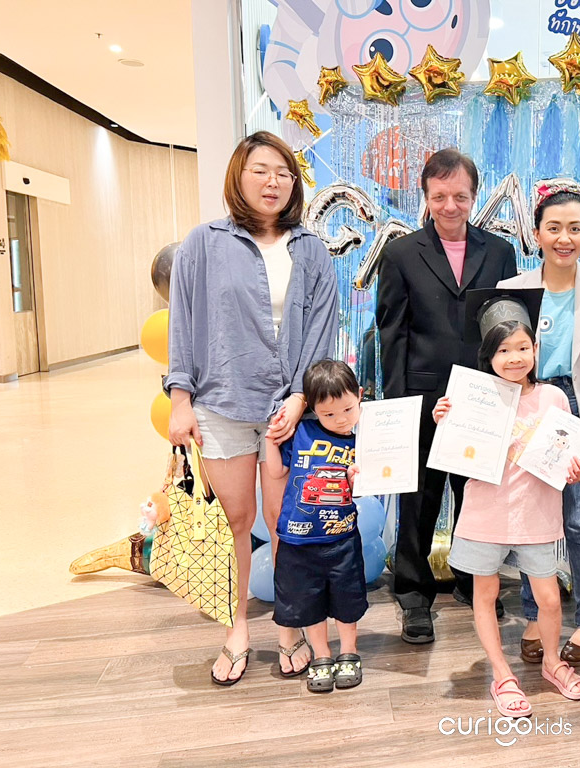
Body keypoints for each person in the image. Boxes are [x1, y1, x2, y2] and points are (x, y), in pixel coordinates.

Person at [165, 131, 338, 685]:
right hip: (221, 403)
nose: (273, 182)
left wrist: (300, 396)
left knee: (288, 524)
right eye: (261, 170)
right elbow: (182, 322)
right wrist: (180, 398)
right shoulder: (203, 244)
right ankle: (236, 626)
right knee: (236, 522)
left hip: (288, 409)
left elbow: (322, 330)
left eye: (284, 173)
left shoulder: (310, 249)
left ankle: (289, 625)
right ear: (238, 176)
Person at [376, 149, 518, 644]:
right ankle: (413, 593)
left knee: (476, 497)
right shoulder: (400, 254)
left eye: (460, 196)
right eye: (440, 196)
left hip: (483, 397)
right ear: (426, 196)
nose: (450, 206)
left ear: (474, 196)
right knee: (419, 498)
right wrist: (397, 404)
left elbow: (509, 325)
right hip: (421, 397)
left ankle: (471, 579)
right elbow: (392, 333)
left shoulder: (499, 252)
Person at [439, 288, 580, 717]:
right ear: (488, 355)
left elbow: (564, 455)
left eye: (523, 347)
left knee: (549, 598)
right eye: (503, 350)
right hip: (485, 512)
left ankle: (552, 662)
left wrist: (573, 470)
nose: (514, 358)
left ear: (536, 349)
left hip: (535, 514)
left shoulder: (553, 398)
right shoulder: (473, 395)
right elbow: (454, 452)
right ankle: (501, 672)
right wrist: (445, 421)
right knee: (485, 594)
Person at [498, 184, 580, 666]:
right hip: (530, 403)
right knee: (532, 522)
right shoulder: (512, 289)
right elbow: (496, 359)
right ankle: (535, 613)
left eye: (575, 228)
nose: (564, 238)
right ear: (536, 234)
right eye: (554, 228)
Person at [263, 360, 367, 693]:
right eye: (329, 414)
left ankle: (349, 651)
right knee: (308, 603)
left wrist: (358, 480)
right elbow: (277, 472)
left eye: (348, 409)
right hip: (297, 541)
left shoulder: (365, 442)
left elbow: (365, 489)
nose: (341, 419)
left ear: (359, 396)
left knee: (347, 601)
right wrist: (270, 441)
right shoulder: (303, 433)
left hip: (342, 539)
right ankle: (321, 654)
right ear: (312, 409)